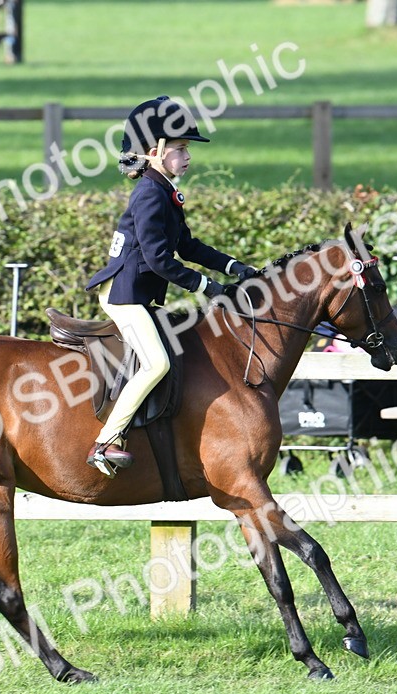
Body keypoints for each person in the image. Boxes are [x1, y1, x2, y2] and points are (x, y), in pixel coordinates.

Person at [83, 96, 256, 476]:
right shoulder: (148, 193)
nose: (187, 157)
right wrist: (209, 287)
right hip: (125, 295)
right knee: (157, 363)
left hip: (141, 293)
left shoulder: (163, 190)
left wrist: (234, 267)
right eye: (179, 149)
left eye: (186, 149)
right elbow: (160, 260)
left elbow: (187, 246)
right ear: (154, 152)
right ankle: (106, 442)